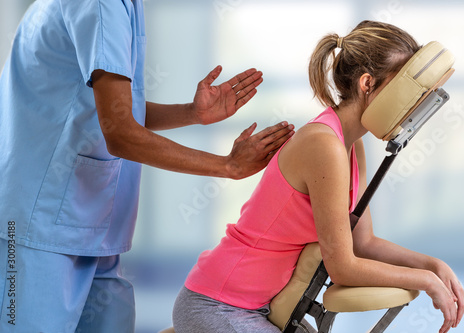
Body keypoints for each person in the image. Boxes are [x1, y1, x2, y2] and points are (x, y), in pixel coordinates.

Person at [0, 0, 294, 332]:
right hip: (37, 226)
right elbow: (121, 133)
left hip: (88, 227)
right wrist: (228, 166)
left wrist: (191, 114)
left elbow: (110, 109)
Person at [172, 20, 464, 333]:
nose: (414, 103)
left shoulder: (352, 146)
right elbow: (343, 268)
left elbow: (363, 243)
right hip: (217, 304)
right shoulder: (323, 145)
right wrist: (424, 281)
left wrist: (433, 266)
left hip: (259, 308)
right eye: (406, 89)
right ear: (367, 84)